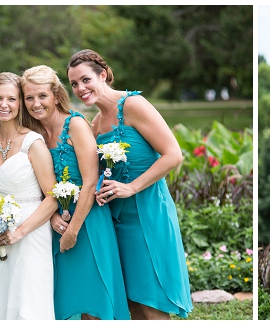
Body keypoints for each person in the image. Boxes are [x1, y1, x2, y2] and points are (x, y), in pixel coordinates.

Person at [67, 49, 193, 319]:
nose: (80, 88)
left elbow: (173, 154)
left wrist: (132, 187)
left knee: (151, 302)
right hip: (116, 220)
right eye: (74, 84)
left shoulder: (133, 105)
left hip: (147, 214)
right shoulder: (96, 123)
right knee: (132, 303)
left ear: (103, 75)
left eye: (85, 80)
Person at [23, 65, 129, 320]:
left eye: (42, 96)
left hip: (88, 222)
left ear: (56, 95)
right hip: (54, 223)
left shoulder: (76, 125)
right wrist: (52, 217)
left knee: (93, 303)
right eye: (29, 97)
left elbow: (91, 182)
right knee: (63, 300)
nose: (36, 103)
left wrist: (72, 231)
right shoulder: (32, 133)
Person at [0, 72, 57, 319]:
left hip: (31, 232)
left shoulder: (33, 143)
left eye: (11, 99)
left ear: (20, 102)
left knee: (28, 300)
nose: (4, 105)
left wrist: (19, 232)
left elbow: (52, 197)